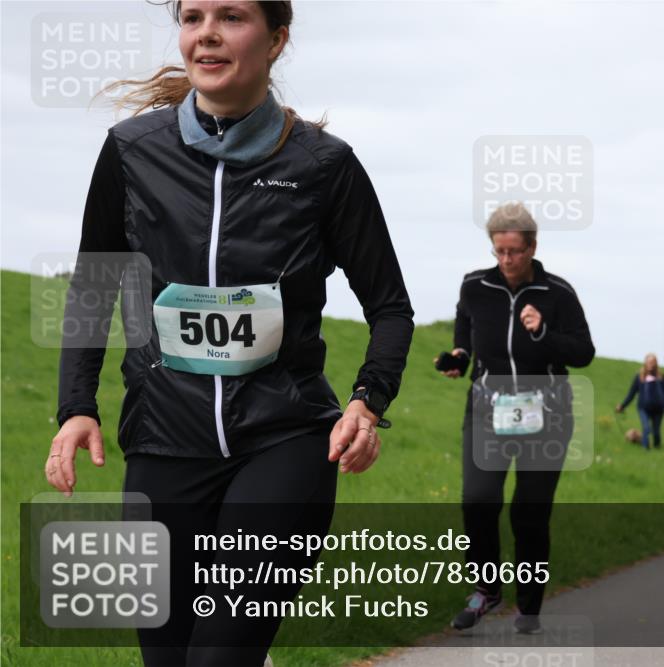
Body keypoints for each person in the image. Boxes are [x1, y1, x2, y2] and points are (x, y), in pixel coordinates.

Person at [47, 2, 415, 665]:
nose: (206, 33)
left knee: (219, 656)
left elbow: (389, 306)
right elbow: (94, 286)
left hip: (284, 440)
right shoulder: (132, 151)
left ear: (276, 39)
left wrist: (368, 401)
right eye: (192, 17)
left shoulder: (324, 166)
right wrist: (77, 406)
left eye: (232, 16)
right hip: (163, 440)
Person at [438, 202, 595, 634]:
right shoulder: (475, 286)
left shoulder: (557, 293)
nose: (506, 260)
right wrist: (459, 356)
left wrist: (543, 332)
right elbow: (465, 326)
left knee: (529, 511)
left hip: (546, 412)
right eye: (499, 251)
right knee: (478, 500)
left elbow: (584, 352)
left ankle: (529, 605)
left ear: (532, 248)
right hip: (487, 408)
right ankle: (486, 590)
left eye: (515, 251)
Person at [615, 353, 664, 450]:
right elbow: (632, 393)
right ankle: (645, 448)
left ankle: (657, 448)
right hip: (643, 407)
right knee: (646, 428)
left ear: (656, 363)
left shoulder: (661, 376)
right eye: (649, 362)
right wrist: (622, 405)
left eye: (653, 362)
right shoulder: (639, 376)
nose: (651, 364)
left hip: (658, 409)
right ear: (645, 363)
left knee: (656, 431)